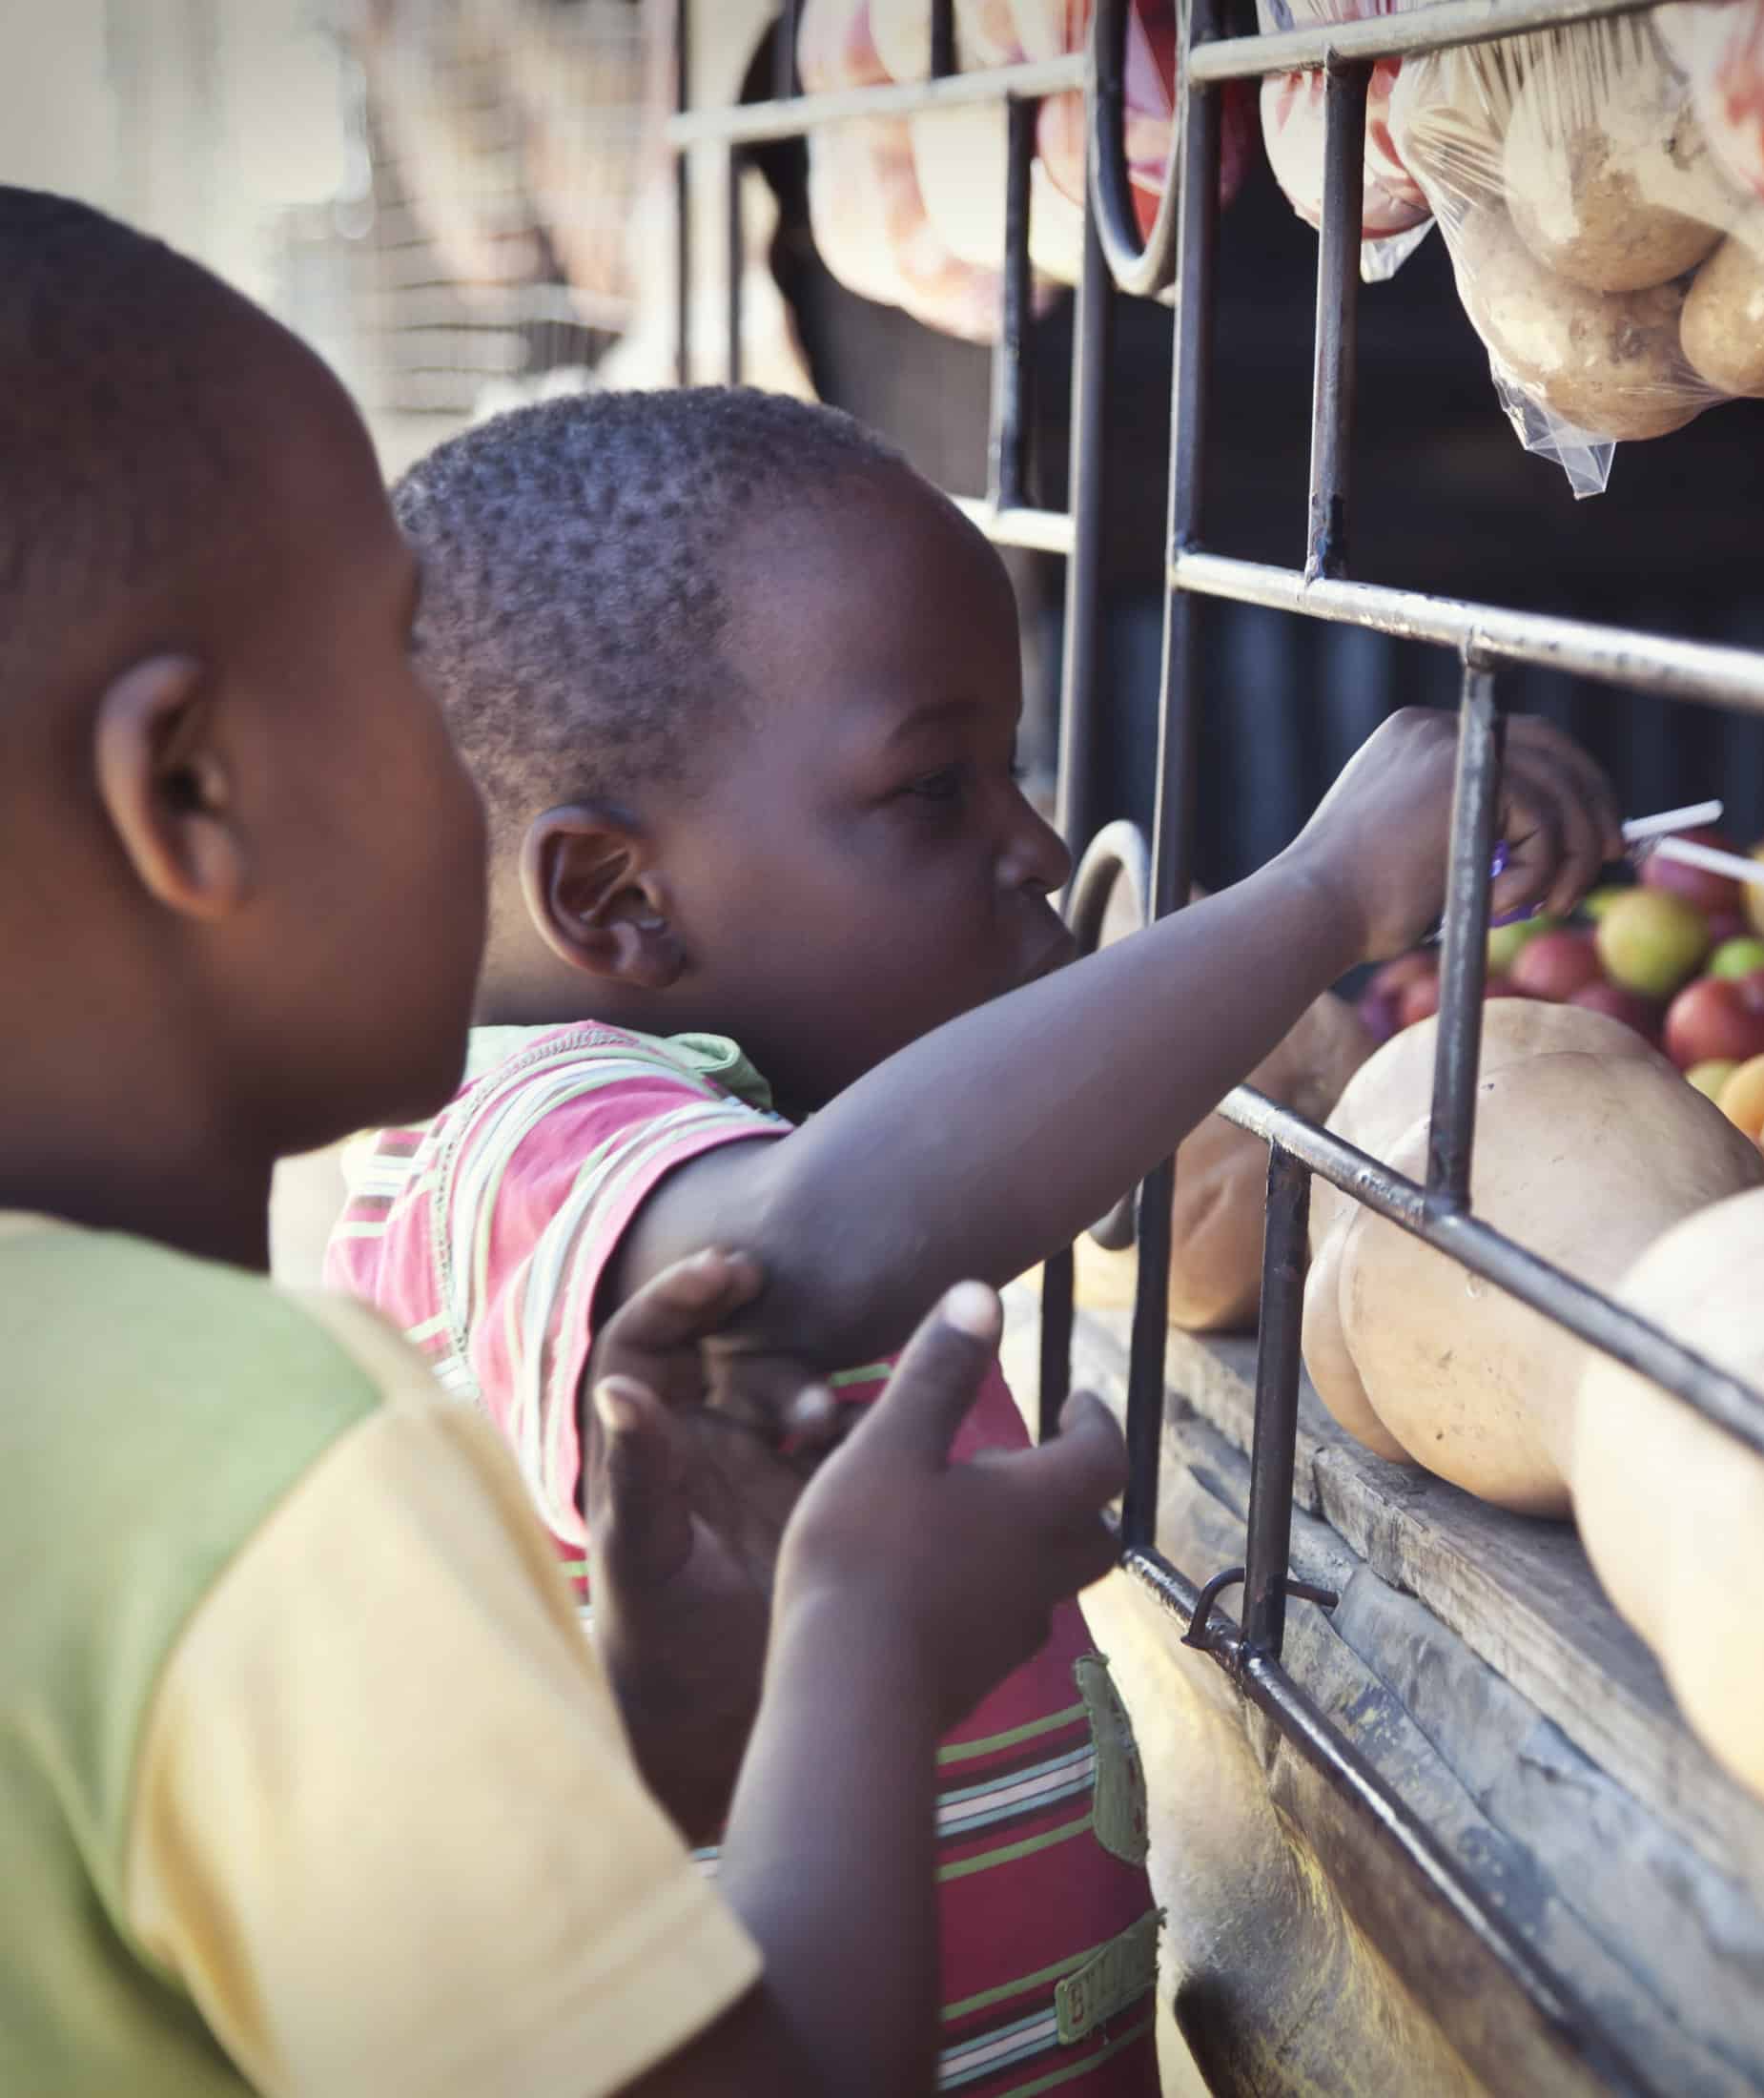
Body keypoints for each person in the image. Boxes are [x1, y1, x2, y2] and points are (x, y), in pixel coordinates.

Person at [318, 388, 1622, 2094]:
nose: (1028, 844)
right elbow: (800, 1261)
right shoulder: (516, 1143)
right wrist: (1315, 898)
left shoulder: (699, 1106)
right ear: (618, 900)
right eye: (936, 788)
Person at [0, 186, 1129, 2098]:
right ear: (190, 789)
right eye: (393, 668)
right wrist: (857, 1653)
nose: (479, 777)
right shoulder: (262, 1466)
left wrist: (655, 1735)